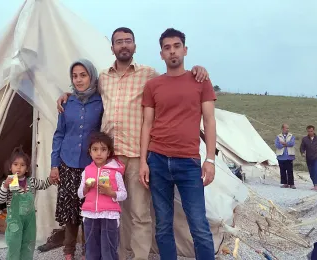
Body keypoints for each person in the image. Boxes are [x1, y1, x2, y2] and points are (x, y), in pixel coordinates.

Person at [56, 27, 210, 260]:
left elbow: (175, 80)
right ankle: (117, 255)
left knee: (140, 213)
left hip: (138, 155)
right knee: (115, 211)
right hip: (109, 157)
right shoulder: (104, 78)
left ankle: (139, 257)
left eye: (128, 41)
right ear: (113, 48)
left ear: (135, 46)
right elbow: (84, 90)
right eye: (119, 42)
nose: (124, 45)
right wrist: (66, 95)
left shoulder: (149, 75)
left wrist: (198, 70)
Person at [140, 28, 216, 260]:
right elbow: (147, 124)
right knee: (163, 225)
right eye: (167, 48)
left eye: (176, 46)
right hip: (158, 159)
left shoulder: (200, 81)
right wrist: (143, 161)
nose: (172, 51)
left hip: (189, 161)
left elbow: (209, 120)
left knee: (199, 225)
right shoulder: (153, 86)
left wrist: (210, 159)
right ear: (161, 54)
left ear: (185, 49)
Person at [50, 59, 103, 260]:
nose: (79, 80)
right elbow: (59, 134)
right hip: (67, 163)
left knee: (89, 210)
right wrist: (54, 165)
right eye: (75, 76)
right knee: (70, 212)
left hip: (90, 165)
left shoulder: (101, 101)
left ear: (91, 76)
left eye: (83, 75)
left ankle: (88, 251)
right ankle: (68, 251)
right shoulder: (66, 103)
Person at [0, 146, 54, 260]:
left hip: (29, 220)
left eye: (22, 165)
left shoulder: (31, 181)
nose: (19, 168)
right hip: (14, 221)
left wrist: (51, 179)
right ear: (10, 167)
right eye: (15, 164)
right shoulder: (8, 183)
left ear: (27, 169)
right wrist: (5, 186)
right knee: (14, 244)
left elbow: (43, 184)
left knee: (28, 243)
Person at [77, 132, 127, 260]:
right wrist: (86, 188)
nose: (99, 153)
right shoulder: (87, 171)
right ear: (90, 152)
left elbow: (123, 194)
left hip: (110, 215)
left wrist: (111, 193)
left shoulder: (115, 172)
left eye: (103, 149)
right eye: (95, 149)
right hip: (90, 214)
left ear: (109, 152)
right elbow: (80, 194)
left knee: (108, 249)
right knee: (91, 249)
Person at [300, 125, 317, 190]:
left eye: (311, 131)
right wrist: (302, 152)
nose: (310, 133)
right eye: (308, 131)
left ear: (314, 131)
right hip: (308, 158)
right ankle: (314, 184)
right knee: (311, 172)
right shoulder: (305, 139)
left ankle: (316, 185)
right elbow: (302, 147)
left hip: (316, 157)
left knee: (316, 170)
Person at [274, 124, 296, 189]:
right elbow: (277, 145)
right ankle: (285, 183)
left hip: (289, 156)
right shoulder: (278, 136)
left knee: (290, 170)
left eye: (288, 128)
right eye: (286, 128)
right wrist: (286, 144)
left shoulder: (291, 136)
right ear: (283, 129)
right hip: (281, 156)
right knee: (282, 170)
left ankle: (291, 183)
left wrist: (283, 143)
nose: (287, 130)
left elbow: (291, 143)